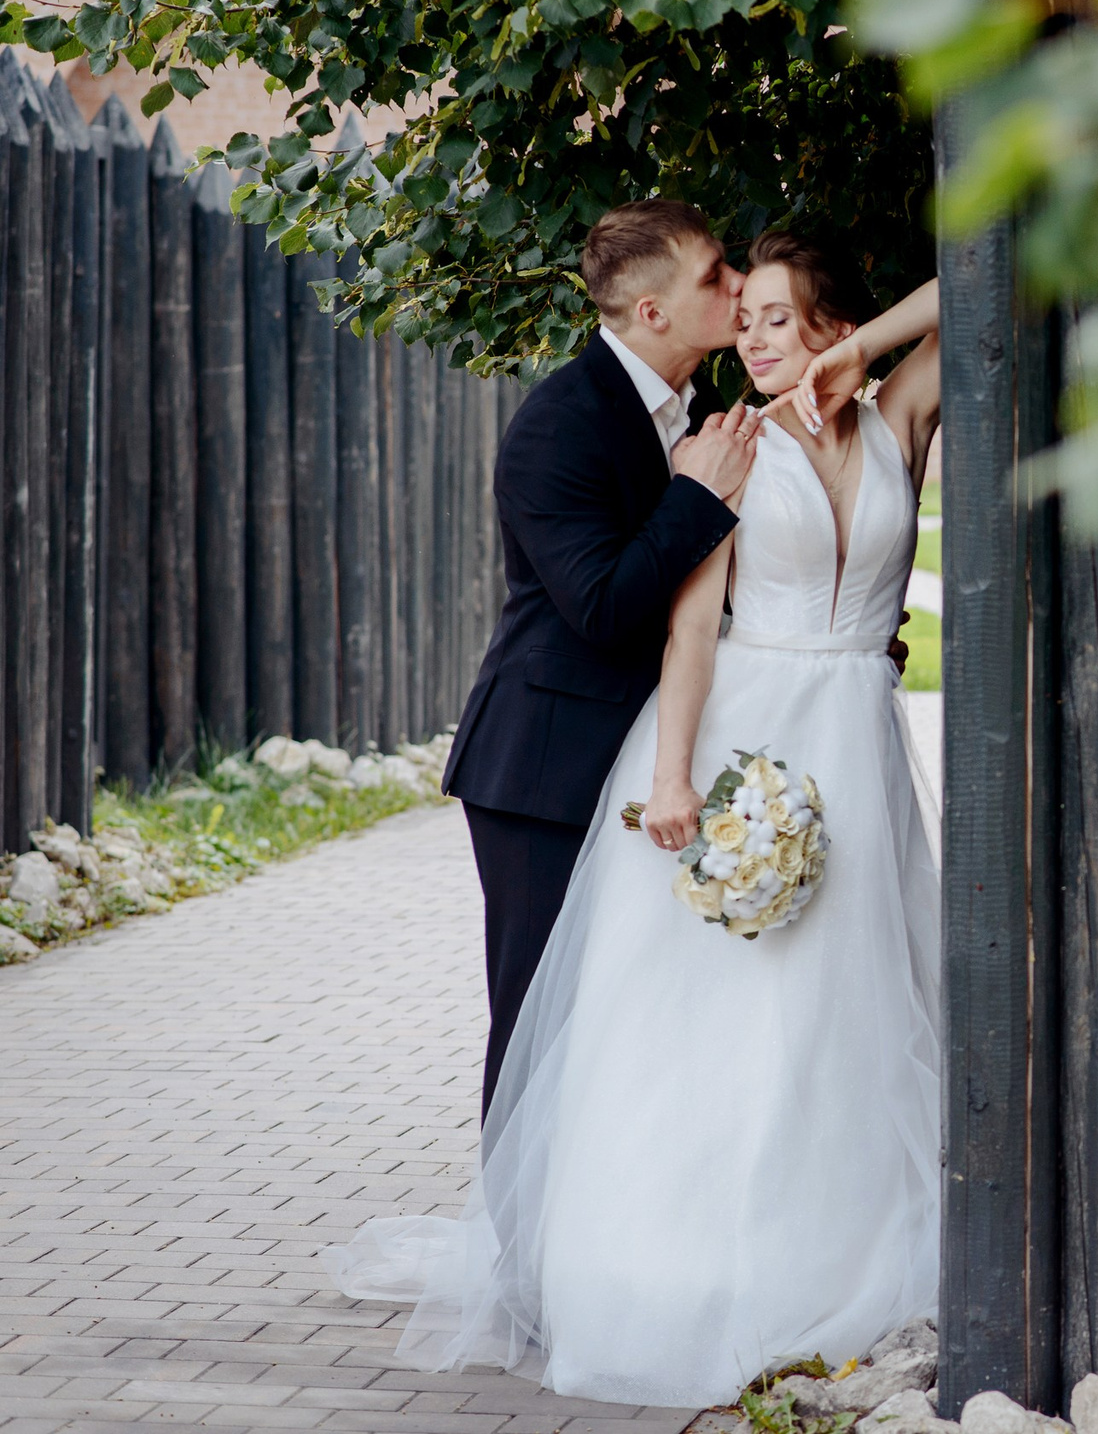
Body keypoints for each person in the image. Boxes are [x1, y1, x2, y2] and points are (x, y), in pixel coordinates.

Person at [327, 231, 947, 1407]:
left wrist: (859, 354)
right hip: (738, 736)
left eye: (774, 315)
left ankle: (843, 1250)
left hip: (859, 740)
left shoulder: (892, 421)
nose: (752, 335)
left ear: (825, 320)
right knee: (723, 1015)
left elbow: (976, 290)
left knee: (857, 1001)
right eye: (740, 311)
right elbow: (688, 629)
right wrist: (672, 782)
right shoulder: (726, 446)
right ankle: (661, 1262)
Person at [441, 198, 760, 1116]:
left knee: (637, 1017)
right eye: (715, 276)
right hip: (545, 771)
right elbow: (606, 611)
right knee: (542, 1016)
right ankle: (510, 1250)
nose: (737, 286)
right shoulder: (559, 426)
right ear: (653, 312)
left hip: (658, 764)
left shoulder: (704, 410)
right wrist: (697, 495)